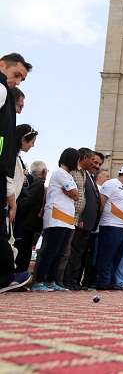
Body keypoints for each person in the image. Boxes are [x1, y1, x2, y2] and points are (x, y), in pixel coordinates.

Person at [0, 53, 32, 293]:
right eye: (17, 75)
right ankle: (4, 277)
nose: (18, 80)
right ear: (2, 66)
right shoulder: (1, 90)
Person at [31, 148, 79, 292]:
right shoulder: (60, 173)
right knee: (50, 250)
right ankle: (38, 281)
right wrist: (72, 193)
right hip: (57, 216)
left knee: (60, 251)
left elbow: (75, 195)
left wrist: (72, 194)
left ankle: (51, 280)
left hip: (67, 218)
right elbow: (74, 193)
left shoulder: (68, 175)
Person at [96, 164, 123, 290]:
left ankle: (112, 281)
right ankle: (103, 281)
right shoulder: (112, 183)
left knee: (117, 256)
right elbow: (102, 201)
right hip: (111, 225)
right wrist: (98, 220)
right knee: (108, 254)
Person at [59, 147, 94, 288]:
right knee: (67, 250)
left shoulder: (84, 173)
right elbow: (67, 191)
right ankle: (64, 281)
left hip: (77, 218)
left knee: (74, 252)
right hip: (67, 215)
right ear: (84, 158)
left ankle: (72, 281)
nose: (93, 163)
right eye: (92, 159)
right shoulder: (72, 171)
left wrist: (80, 218)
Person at [14, 160, 46, 274]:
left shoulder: (29, 180)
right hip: (26, 224)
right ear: (44, 171)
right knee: (23, 253)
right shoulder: (38, 182)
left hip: (22, 223)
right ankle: (18, 277)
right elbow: (27, 201)